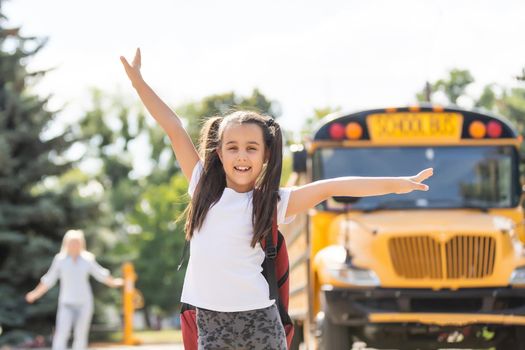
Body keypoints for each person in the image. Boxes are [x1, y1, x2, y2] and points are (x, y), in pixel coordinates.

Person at [120, 48, 434, 350]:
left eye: (251, 148)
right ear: (219, 152)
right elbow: (174, 129)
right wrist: (138, 83)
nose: (241, 156)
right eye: (232, 147)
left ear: (266, 154)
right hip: (210, 320)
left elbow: (331, 186)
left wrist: (398, 184)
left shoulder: (272, 202)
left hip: (260, 317)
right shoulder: (203, 188)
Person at [25, 229, 123, 350]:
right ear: (66, 243)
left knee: (81, 335)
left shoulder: (88, 259)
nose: (74, 245)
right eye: (72, 242)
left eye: (77, 242)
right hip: (66, 303)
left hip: (84, 303)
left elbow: (101, 275)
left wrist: (115, 282)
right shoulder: (60, 260)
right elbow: (48, 280)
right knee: (62, 333)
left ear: (82, 244)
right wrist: (35, 293)